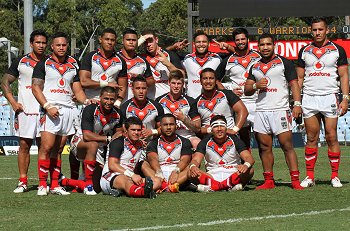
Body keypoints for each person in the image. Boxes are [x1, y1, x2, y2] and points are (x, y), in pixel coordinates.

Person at [32, 32, 91, 196]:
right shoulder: (44, 64)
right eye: (58, 45)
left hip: (68, 110)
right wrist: (47, 105)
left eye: (64, 45)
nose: (61, 48)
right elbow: (36, 88)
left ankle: (55, 185)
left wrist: (85, 101)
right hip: (50, 109)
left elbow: (77, 89)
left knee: (58, 149)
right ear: (52, 46)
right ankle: (43, 184)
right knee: (46, 147)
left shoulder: (74, 63)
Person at [244, 33, 303, 190]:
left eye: (268, 44)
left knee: (287, 146)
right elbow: (247, 89)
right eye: (262, 45)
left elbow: (294, 84)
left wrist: (297, 104)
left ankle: (295, 180)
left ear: (274, 45)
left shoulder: (284, 63)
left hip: (280, 110)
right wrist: (256, 85)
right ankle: (269, 180)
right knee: (264, 147)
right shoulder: (254, 65)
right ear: (258, 47)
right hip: (261, 111)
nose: (265, 47)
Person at [297, 17, 349, 188]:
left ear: (327, 30)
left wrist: (345, 98)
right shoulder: (304, 50)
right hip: (309, 97)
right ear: (311, 31)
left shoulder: (338, 50)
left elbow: (343, 76)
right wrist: (297, 101)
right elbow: (299, 78)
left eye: (320, 29)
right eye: (314, 30)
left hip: (330, 96)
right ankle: (310, 177)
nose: (317, 33)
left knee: (331, 136)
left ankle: (334, 176)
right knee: (311, 137)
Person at [1, 30, 48, 193]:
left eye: (43, 43)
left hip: (45, 111)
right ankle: (23, 181)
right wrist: (13, 102)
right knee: (24, 145)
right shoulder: (21, 61)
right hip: (25, 111)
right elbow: (5, 81)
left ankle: (43, 182)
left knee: (45, 146)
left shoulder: (51, 61)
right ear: (31, 43)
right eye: (38, 42)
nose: (41, 45)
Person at [61, 86, 124, 195]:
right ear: (100, 98)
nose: (108, 102)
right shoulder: (90, 109)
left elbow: (119, 133)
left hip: (101, 146)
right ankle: (88, 184)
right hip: (80, 141)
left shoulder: (118, 113)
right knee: (92, 145)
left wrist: (117, 135)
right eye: (106, 99)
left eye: (111, 99)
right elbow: (87, 136)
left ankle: (65, 181)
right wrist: (108, 139)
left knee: (98, 187)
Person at [216, 28, 261, 150]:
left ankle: (266, 170)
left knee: (263, 142)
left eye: (242, 39)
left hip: (259, 103)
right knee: (244, 142)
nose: (240, 42)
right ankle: (247, 168)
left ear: (248, 40)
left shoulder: (258, 56)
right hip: (241, 104)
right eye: (237, 40)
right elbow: (215, 79)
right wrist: (228, 93)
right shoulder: (228, 60)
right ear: (234, 42)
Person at [188, 115, 254, 192]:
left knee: (250, 170)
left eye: (222, 126)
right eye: (216, 126)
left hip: (233, 173)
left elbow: (249, 158)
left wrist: (246, 165)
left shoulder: (235, 140)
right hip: (212, 175)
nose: (219, 129)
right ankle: (229, 186)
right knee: (189, 172)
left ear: (226, 128)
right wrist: (193, 166)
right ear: (211, 129)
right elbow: (196, 159)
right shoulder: (205, 142)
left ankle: (212, 187)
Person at [100, 117, 159, 199]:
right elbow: (112, 165)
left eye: (138, 130)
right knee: (126, 181)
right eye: (133, 130)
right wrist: (132, 175)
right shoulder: (118, 142)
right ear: (126, 130)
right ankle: (143, 192)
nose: (136, 132)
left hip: (130, 176)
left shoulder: (140, 144)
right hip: (110, 177)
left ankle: (133, 190)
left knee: (157, 181)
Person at [183, 68, 248, 137]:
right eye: (205, 78)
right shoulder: (195, 103)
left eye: (211, 78)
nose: (208, 81)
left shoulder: (227, 94)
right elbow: (197, 129)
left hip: (229, 136)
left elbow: (243, 111)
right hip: (209, 139)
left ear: (216, 81)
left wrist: (234, 130)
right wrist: (210, 129)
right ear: (200, 81)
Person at [79, 28, 127, 107]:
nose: (109, 42)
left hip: (110, 105)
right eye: (107, 39)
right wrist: (106, 84)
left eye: (112, 40)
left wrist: (117, 102)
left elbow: (123, 87)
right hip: (92, 101)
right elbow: (84, 82)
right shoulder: (90, 57)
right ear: (100, 39)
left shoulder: (121, 61)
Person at [146, 114, 193, 192]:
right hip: (159, 173)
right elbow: (153, 159)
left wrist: (176, 171)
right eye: (165, 125)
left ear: (176, 126)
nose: (168, 127)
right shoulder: (153, 143)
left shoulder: (185, 141)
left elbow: (185, 160)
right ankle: (170, 186)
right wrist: (159, 172)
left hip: (178, 173)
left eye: (171, 124)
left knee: (191, 165)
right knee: (144, 164)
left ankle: (162, 187)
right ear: (160, 127)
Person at [156, 70, 200, 148]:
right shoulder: (159, 101)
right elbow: (158, 126)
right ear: (169, 83)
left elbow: (197, 128)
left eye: (179, 83)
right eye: (173, 83)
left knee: (197, 143)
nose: (176, 86)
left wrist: (183, 119)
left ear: (183, 84)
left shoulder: (190, 101)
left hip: (187, 135)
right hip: (167, 136)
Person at [139, 29, 183, 99]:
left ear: (156, 40)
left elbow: (182, 75)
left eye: (150, 41)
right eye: (145, 42)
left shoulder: (169, 54)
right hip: (149, 100)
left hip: (168, 99)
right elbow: (126, 53)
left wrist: (168, 64)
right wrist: (139, 41)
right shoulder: (141, 58)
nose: (148, 45)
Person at [120, 76, 164, 140]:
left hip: (151, 145)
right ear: (132, 90)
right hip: (132, 147)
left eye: (143, 88)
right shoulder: (124, 108)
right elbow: (122, 131)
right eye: (137, 88)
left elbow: (163, 128)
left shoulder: (157, 106)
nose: (141, 91)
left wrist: (152, 131)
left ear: (147, 89)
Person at [117, 28, 154, 101]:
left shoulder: (143, 61)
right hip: (116, 102)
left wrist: (140, 78)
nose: (131, 42)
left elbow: (151, 81)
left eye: (134, 40)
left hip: (135, 104)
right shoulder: (115, 58)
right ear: (122, 41)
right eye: (128, 40)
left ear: (137, 42)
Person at [183, 31, 221, 99]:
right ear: (194, 44)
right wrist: (174, 47)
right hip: (192, 101)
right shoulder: (187, 58)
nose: (201, 44)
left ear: (209, 44)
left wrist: (228, 47)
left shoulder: (217, 58)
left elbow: (239, 54)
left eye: (204, 42)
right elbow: (163, 53)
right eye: (198, 42)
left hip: (213, 100)